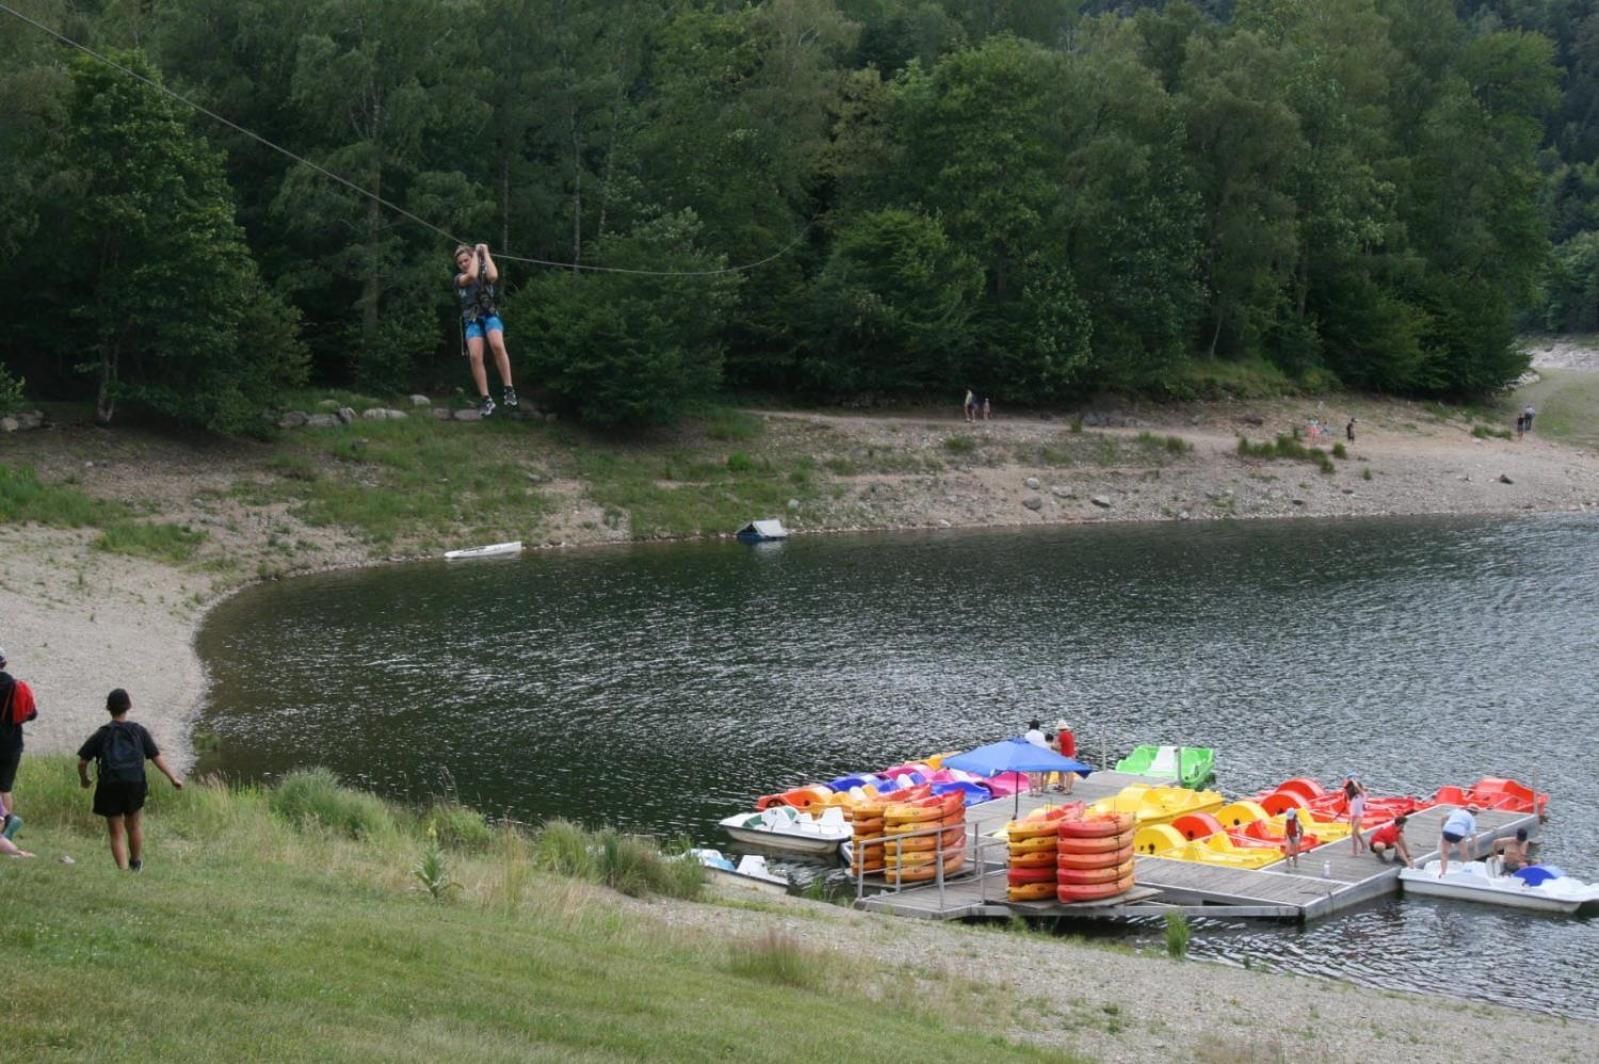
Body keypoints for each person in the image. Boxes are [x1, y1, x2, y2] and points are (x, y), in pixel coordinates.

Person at [76, 689, 183, 871]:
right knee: (133, 826)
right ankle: (135, 863)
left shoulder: (102, 734)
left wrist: (85, 779)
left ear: (108, 708)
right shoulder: (139, 731)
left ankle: (123, 870)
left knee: (116, 832)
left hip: (110, 784)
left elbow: (82, 762)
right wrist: (173, 778)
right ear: (129, 707)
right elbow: (156, 757)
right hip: (135, 783)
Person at [453, 242, 519, 419]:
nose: (464, 264)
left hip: (489, 315)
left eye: (466, 260)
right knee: (474, 356)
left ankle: (508, 388)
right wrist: (476, 254)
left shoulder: (484, 274)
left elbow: (494, 275)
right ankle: (486, 398)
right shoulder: (459, 279)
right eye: (460, 263)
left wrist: (485, 253)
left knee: (497, 345)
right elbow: (472, 274)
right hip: (472, 319)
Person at [0, 647, 39, 841]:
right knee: (5, 788)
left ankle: (7, 820)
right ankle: (6, 831)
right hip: (13, 744)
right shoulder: (16, 686)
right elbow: (31, 714)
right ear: (4, 663)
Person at [1438, 806, 1477, 875]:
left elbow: (1443, 818)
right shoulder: (1471, 818)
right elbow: (1472, 833)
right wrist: (1475, 847)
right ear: (1474, 813)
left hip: (1447, 831)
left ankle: (1442, 872)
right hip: (1458, 834)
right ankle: (1467, 873)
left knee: (1444, 853)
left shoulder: (1456, 811)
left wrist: (1442, 829)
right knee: (1464, 854)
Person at [1343, 776, 1369, 854]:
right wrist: (1347, 781)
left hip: (1359, 816)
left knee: (1353, 833)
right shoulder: (1353, 796)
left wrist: (1353, 781)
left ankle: (1354, 851)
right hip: (1353, 816)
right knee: (1356, 832)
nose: (1355, 789)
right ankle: (1364, 845)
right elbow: (1347, 791)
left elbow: (1358, 787)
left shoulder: (1363, 795)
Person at [1051, 719, 1077, 794]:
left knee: (1068, 773)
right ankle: (1066, 787)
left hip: (1066, 756)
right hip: (1071, 755)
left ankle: (1068, 789)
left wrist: (1052, 746)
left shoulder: (1062, 735)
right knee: (1070, 773)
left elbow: (1057, 747)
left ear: (1059, 729)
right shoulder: (1069, 734)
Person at [1024, 719, 1047, 795]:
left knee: (1030, 775)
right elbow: (1043, 746)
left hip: (1029, 756)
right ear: (1038, 726)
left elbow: (1025, 746)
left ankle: (1031, 792)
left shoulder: (1027, 735)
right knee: (1038, 774)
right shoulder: (1041, 734)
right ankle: (1037, 791)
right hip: (1038, 756)